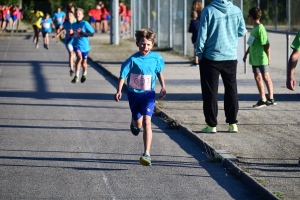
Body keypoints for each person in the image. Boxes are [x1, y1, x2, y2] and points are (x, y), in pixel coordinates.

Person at [114, 28, 167, 166]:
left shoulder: (156, 59)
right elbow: (122, 76)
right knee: (138, 123)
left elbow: (159, 72)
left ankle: (147, 154)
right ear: (137, 43)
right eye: (143, 44)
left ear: (152, 45)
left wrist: (163, 86)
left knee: (147, 123)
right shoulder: (132, 60)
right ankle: (133, 122)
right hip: (134, 95)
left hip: (148, 94)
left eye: (148, 44)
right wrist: (119, 90)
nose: (145, 47)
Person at [196, 0, 246, 133]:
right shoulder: (236, 10)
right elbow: (242, 31)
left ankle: (212, 125)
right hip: (230, 56)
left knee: (210, 92)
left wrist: (199, 53)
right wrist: (229, 32)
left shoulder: (208, 10)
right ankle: (232, 123)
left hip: (210, 57)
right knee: (231, 90)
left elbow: (202, 35)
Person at [243, 7, 276, 108]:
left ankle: (271, 98)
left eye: (249, 16)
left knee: (266, 77)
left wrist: (268, 58)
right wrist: (246, 54)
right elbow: (251, 43)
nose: (248, 18)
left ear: (251, 17)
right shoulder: (254, 29)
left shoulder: (261, 28)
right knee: (258, 78)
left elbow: (267, 45)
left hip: (261, 58)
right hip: (254, 59)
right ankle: (263, 99)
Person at [70, 8, 94, 84]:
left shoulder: (85, 23)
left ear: (82, 16)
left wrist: (83, 32)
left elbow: (92, 34)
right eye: (76, 13)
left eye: (79, 14)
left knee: (84, 62)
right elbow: (73, 35)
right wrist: (70, 35)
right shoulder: (73, 25)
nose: (77, 15)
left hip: (85, 46)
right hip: (76, 45)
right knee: (79, 57)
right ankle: (76, 76)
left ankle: (84, 74)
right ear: (74, 15)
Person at [53, 11, 76, 76]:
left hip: (75, 42)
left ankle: (73, 60)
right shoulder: (65, 23)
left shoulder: (76, 24)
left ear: (73, 16)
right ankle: (71, 70)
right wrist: (57, 35)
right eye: (68, 16)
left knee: (74, 57)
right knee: (71, 53)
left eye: (70, 15)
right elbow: (63, 29)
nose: (69, 17)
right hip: (68, 41)